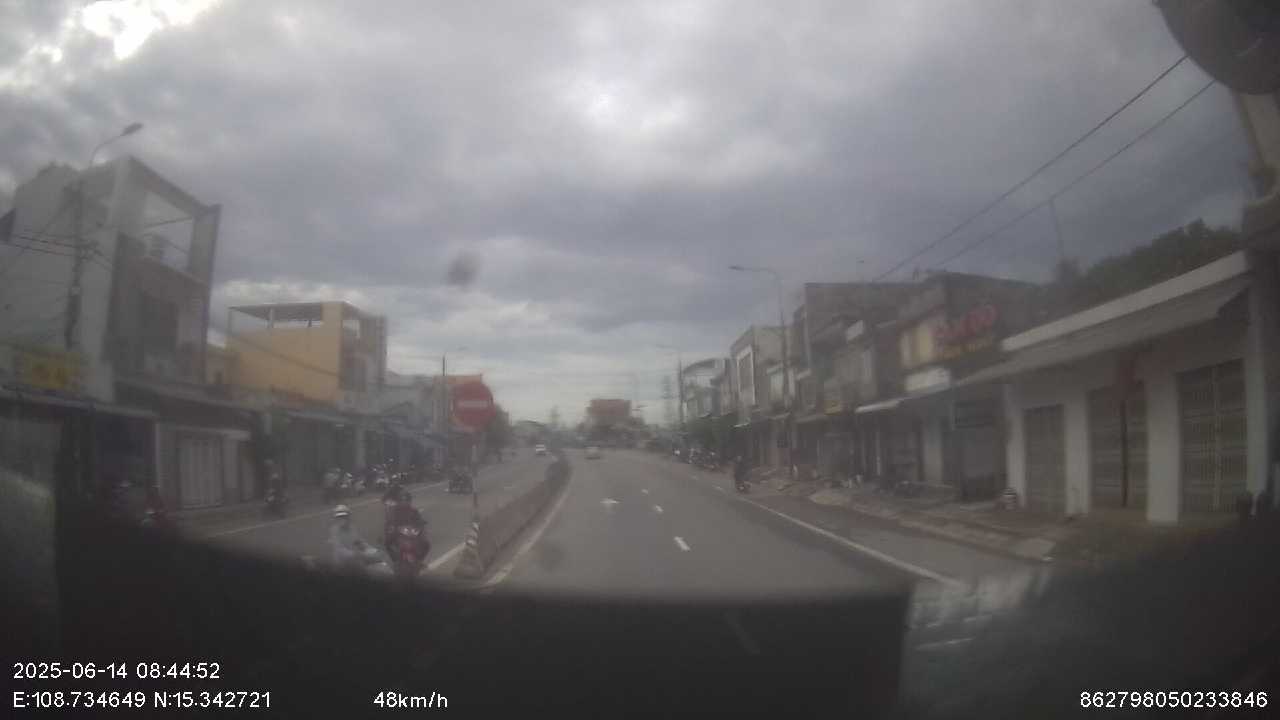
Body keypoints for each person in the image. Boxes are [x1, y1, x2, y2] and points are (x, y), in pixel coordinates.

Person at [384, 487, 429, 561]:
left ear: (409, 501)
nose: (404, 502)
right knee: (387, 543)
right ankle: (394, 560)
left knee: (426, 544)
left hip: (411, 532)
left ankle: (420, 560)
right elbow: (389, 521)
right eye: (402, 500)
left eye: (406, 500)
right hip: (398, 532)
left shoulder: (413, 510)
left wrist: (421, 524)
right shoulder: (394, 511)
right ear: (398, 501)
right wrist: (391, 527)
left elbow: (419, 520)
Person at [329, 504, 373, 571]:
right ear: (336, 518)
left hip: (354, 560)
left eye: (344, 516)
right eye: (339, 517)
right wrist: (355, 554)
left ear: (348, 517)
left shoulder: (352, 528)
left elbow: (358, 541)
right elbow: (339, 549)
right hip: (342, 564)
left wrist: (370, 548)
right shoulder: (334, 530)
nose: (342, 519)